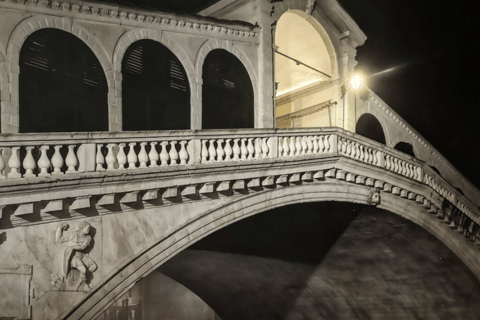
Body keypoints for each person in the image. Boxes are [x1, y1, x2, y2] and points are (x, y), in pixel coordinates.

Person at [55, 221, 97, 291]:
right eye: (88, 228)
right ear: (82, 227)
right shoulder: (72, 234)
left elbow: (82, 247)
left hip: (82, 256)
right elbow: (58, 240)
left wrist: (71, 245)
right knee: (83, 270)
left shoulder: (88, 238)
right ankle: (85, 285)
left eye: (89, 229)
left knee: (94, 266)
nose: (89, 230)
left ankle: (80, 282)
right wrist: (60, 228)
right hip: (73, 257)